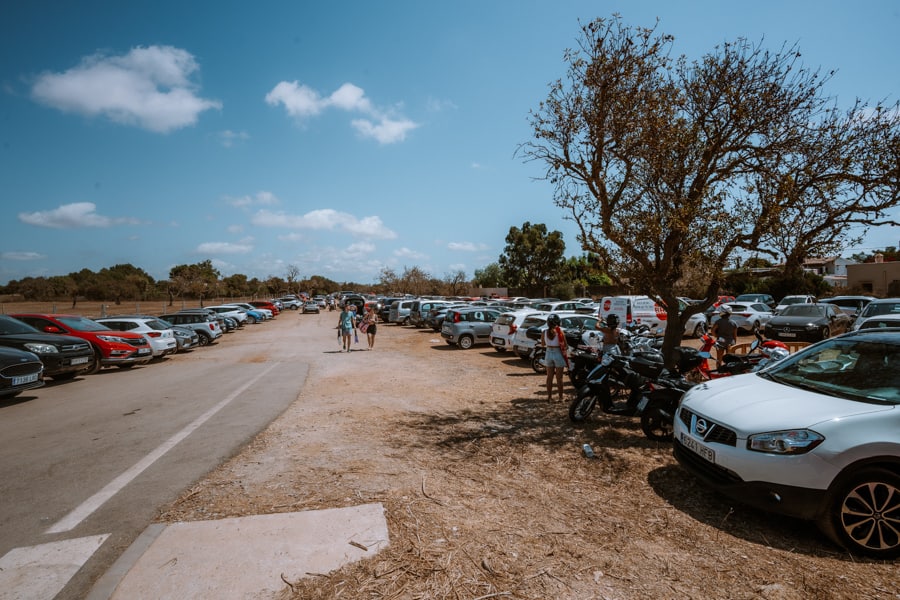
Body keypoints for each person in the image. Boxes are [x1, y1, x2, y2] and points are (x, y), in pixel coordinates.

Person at [541, 314, 570, 402]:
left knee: (549, 377)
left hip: (548, 353)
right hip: (558, 353)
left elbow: (543, 344)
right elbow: (565, 346)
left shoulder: (544, 332)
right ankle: (561, 397)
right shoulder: (560, 331)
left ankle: (549, 397)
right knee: (559, 378)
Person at [710, 304, 738, 368]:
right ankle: (729, 372)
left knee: (719, 358)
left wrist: (717, 336)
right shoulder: (733, 323)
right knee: (730, 359)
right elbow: (735, 335)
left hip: (720, 342)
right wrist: (734, 343)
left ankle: (718, 371)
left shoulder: (718, 322)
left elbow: (712, 331)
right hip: (730, 342)